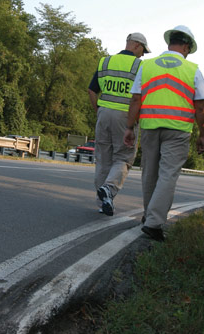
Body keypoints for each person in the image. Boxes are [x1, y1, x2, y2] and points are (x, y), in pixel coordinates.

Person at [124, 25, 204, 241]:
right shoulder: (192, 70)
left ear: (169, 42)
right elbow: (200, 108)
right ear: (186, 47)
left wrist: (129, 127)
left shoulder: (148, 65)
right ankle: (153, 223)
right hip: (178, 129)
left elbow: (136, 99)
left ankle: (148, 215)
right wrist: (203, 134)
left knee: (149, 172)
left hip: (150, 127)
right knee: (168, 174)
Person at [88, 32, 151, 216]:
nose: (143, 55)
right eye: (143, 51)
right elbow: (140, 96)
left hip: (104, 114)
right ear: (137, 46)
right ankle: (109, 188)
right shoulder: (140, 66)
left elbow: (92, 91)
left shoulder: (105, 62)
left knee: (103, 159)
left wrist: (98, 111)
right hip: (125, 116)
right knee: (123, 158)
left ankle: (102, 202)